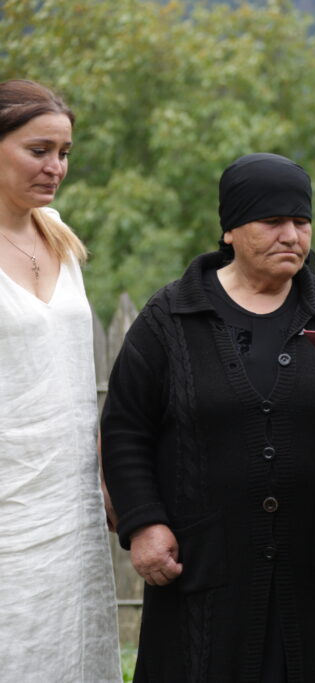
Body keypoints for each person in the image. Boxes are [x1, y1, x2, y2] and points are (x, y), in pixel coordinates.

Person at [101, 153, 315, 681]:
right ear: (230, 230)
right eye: (273, 222)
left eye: (302, 222)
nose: (291, 235)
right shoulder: (170, 318)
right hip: (205, 562)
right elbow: (126, 430)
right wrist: (145, 524)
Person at [0, 79, 121, 682]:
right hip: (7, 496)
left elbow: (77, 376)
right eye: (38, 150)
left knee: (72, 646)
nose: (55, 167)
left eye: (65, 153)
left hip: (69, 495)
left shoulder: (57, 234)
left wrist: (104, 471)